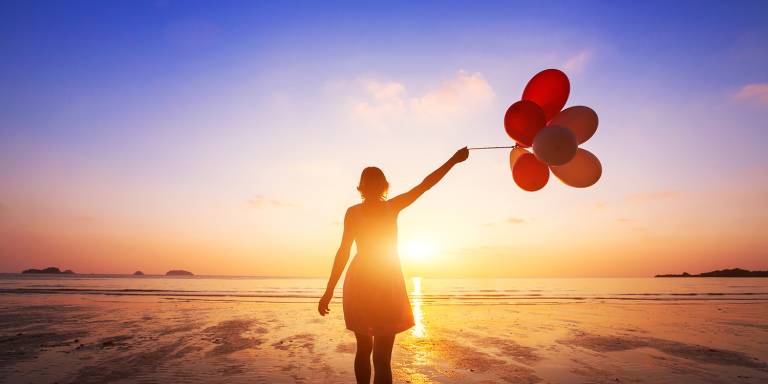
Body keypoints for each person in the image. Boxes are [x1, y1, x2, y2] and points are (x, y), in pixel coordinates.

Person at [318, 147, 469, 384]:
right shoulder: (389, 207)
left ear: (363, 186)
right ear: (382, 186)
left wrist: (329, 291)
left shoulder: (359, 212)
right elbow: (425, 185)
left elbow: (343, 252)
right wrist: (453, 160)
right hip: (381, 281)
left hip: (366, 281)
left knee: (366, 350)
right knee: (380, 356)